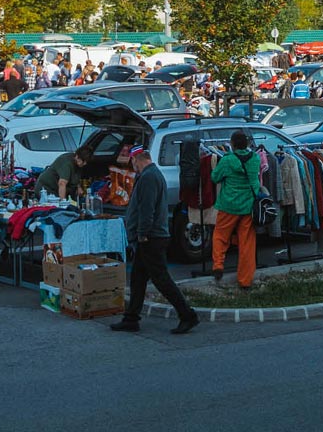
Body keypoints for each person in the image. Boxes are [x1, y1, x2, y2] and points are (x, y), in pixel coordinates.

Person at [110, 145, 198, 335]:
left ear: (137, 159)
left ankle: (187, 314)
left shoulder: (149, 177)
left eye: (132, 161)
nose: (132, 166)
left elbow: (147, 209)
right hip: (150, 236)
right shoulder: (150, 174)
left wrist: (142, 234)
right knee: (138, 279)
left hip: (151, 237)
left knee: (161, 279)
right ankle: (131, 318)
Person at [210, 130, 259, 291]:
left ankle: (218, 265)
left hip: (228, 205)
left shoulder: (227, 160)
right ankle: (245, 281)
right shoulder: (255, 159)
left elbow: (215, 177)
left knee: (220, 235)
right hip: (248, 206)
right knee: (247, 243)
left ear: (232, 144)